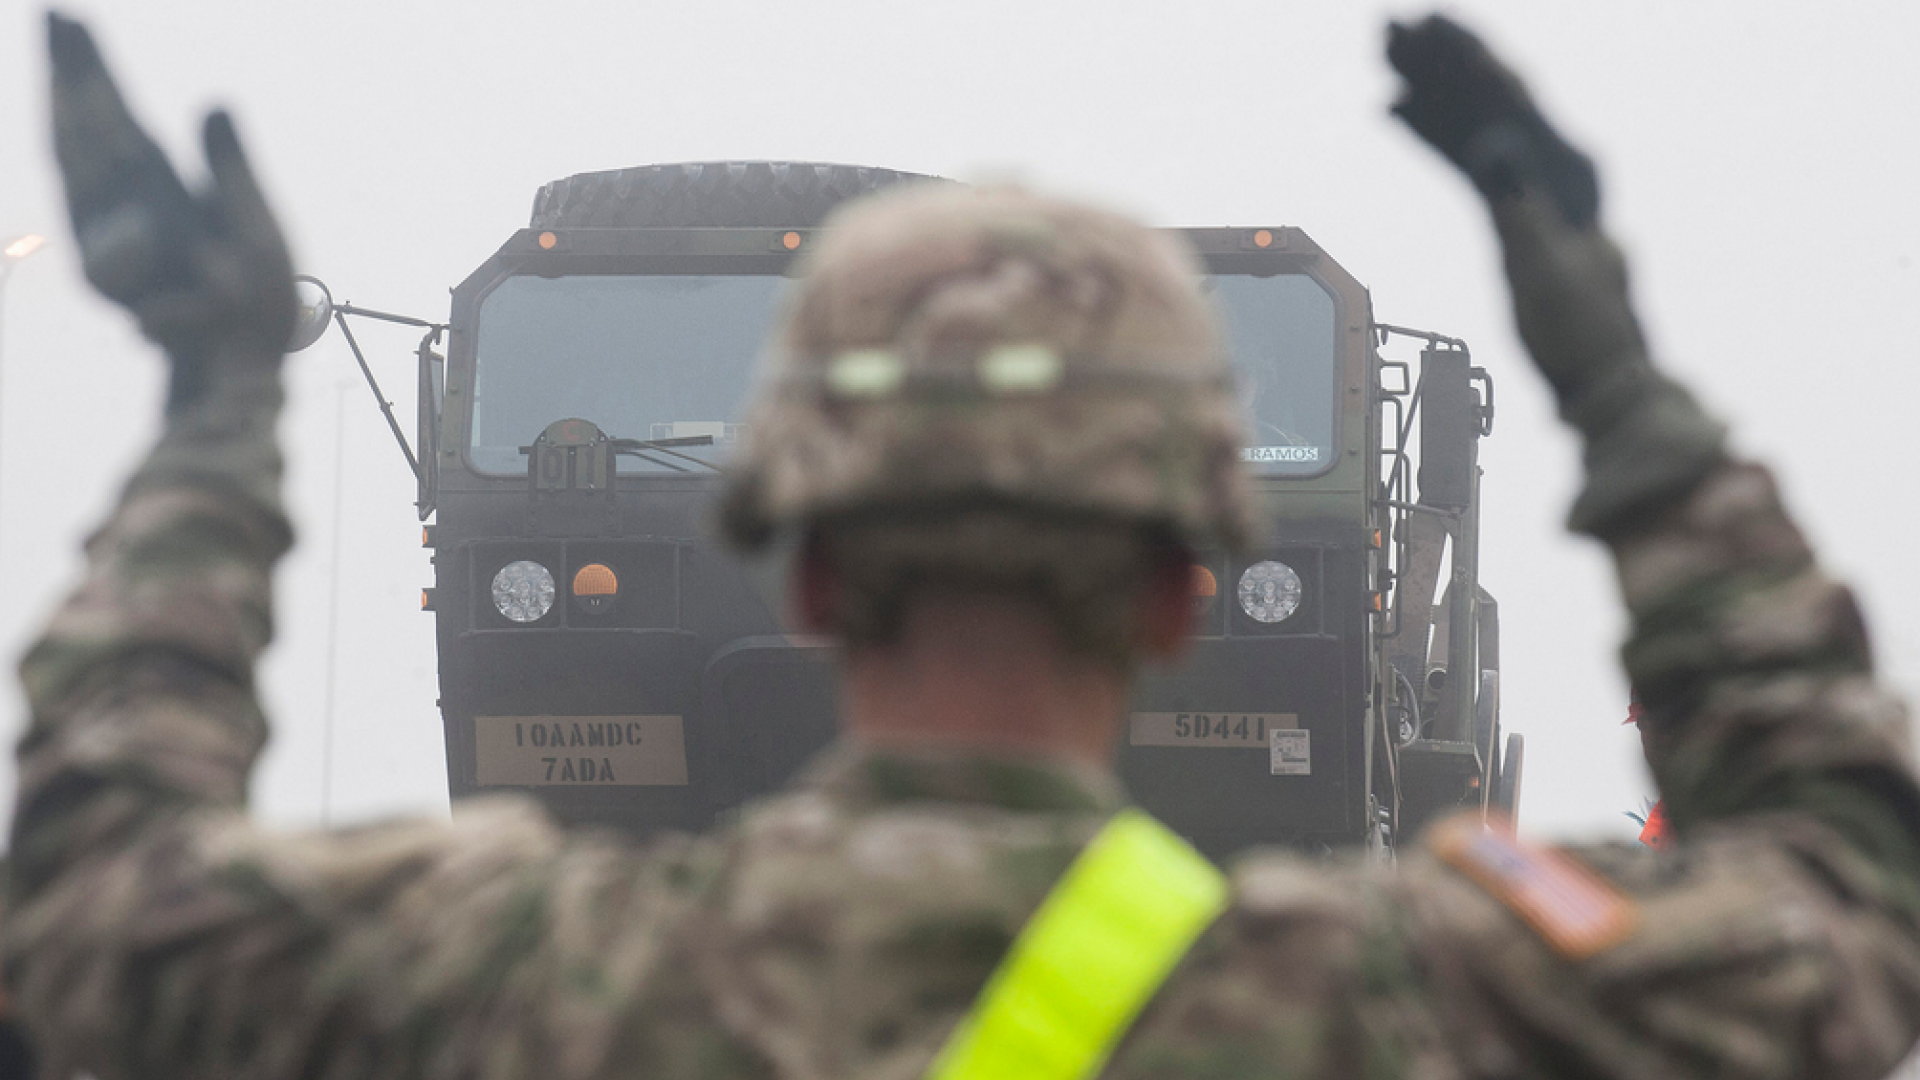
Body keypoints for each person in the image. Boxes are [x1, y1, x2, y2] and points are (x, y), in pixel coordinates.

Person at [8, 11, 1920, 1080]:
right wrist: (1626, 393)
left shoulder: (519, 972)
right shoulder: (1384, 1000)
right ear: (1175, 592)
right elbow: (1857, 897)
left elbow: (85, 906)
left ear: (805, 575)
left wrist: (213, 407)